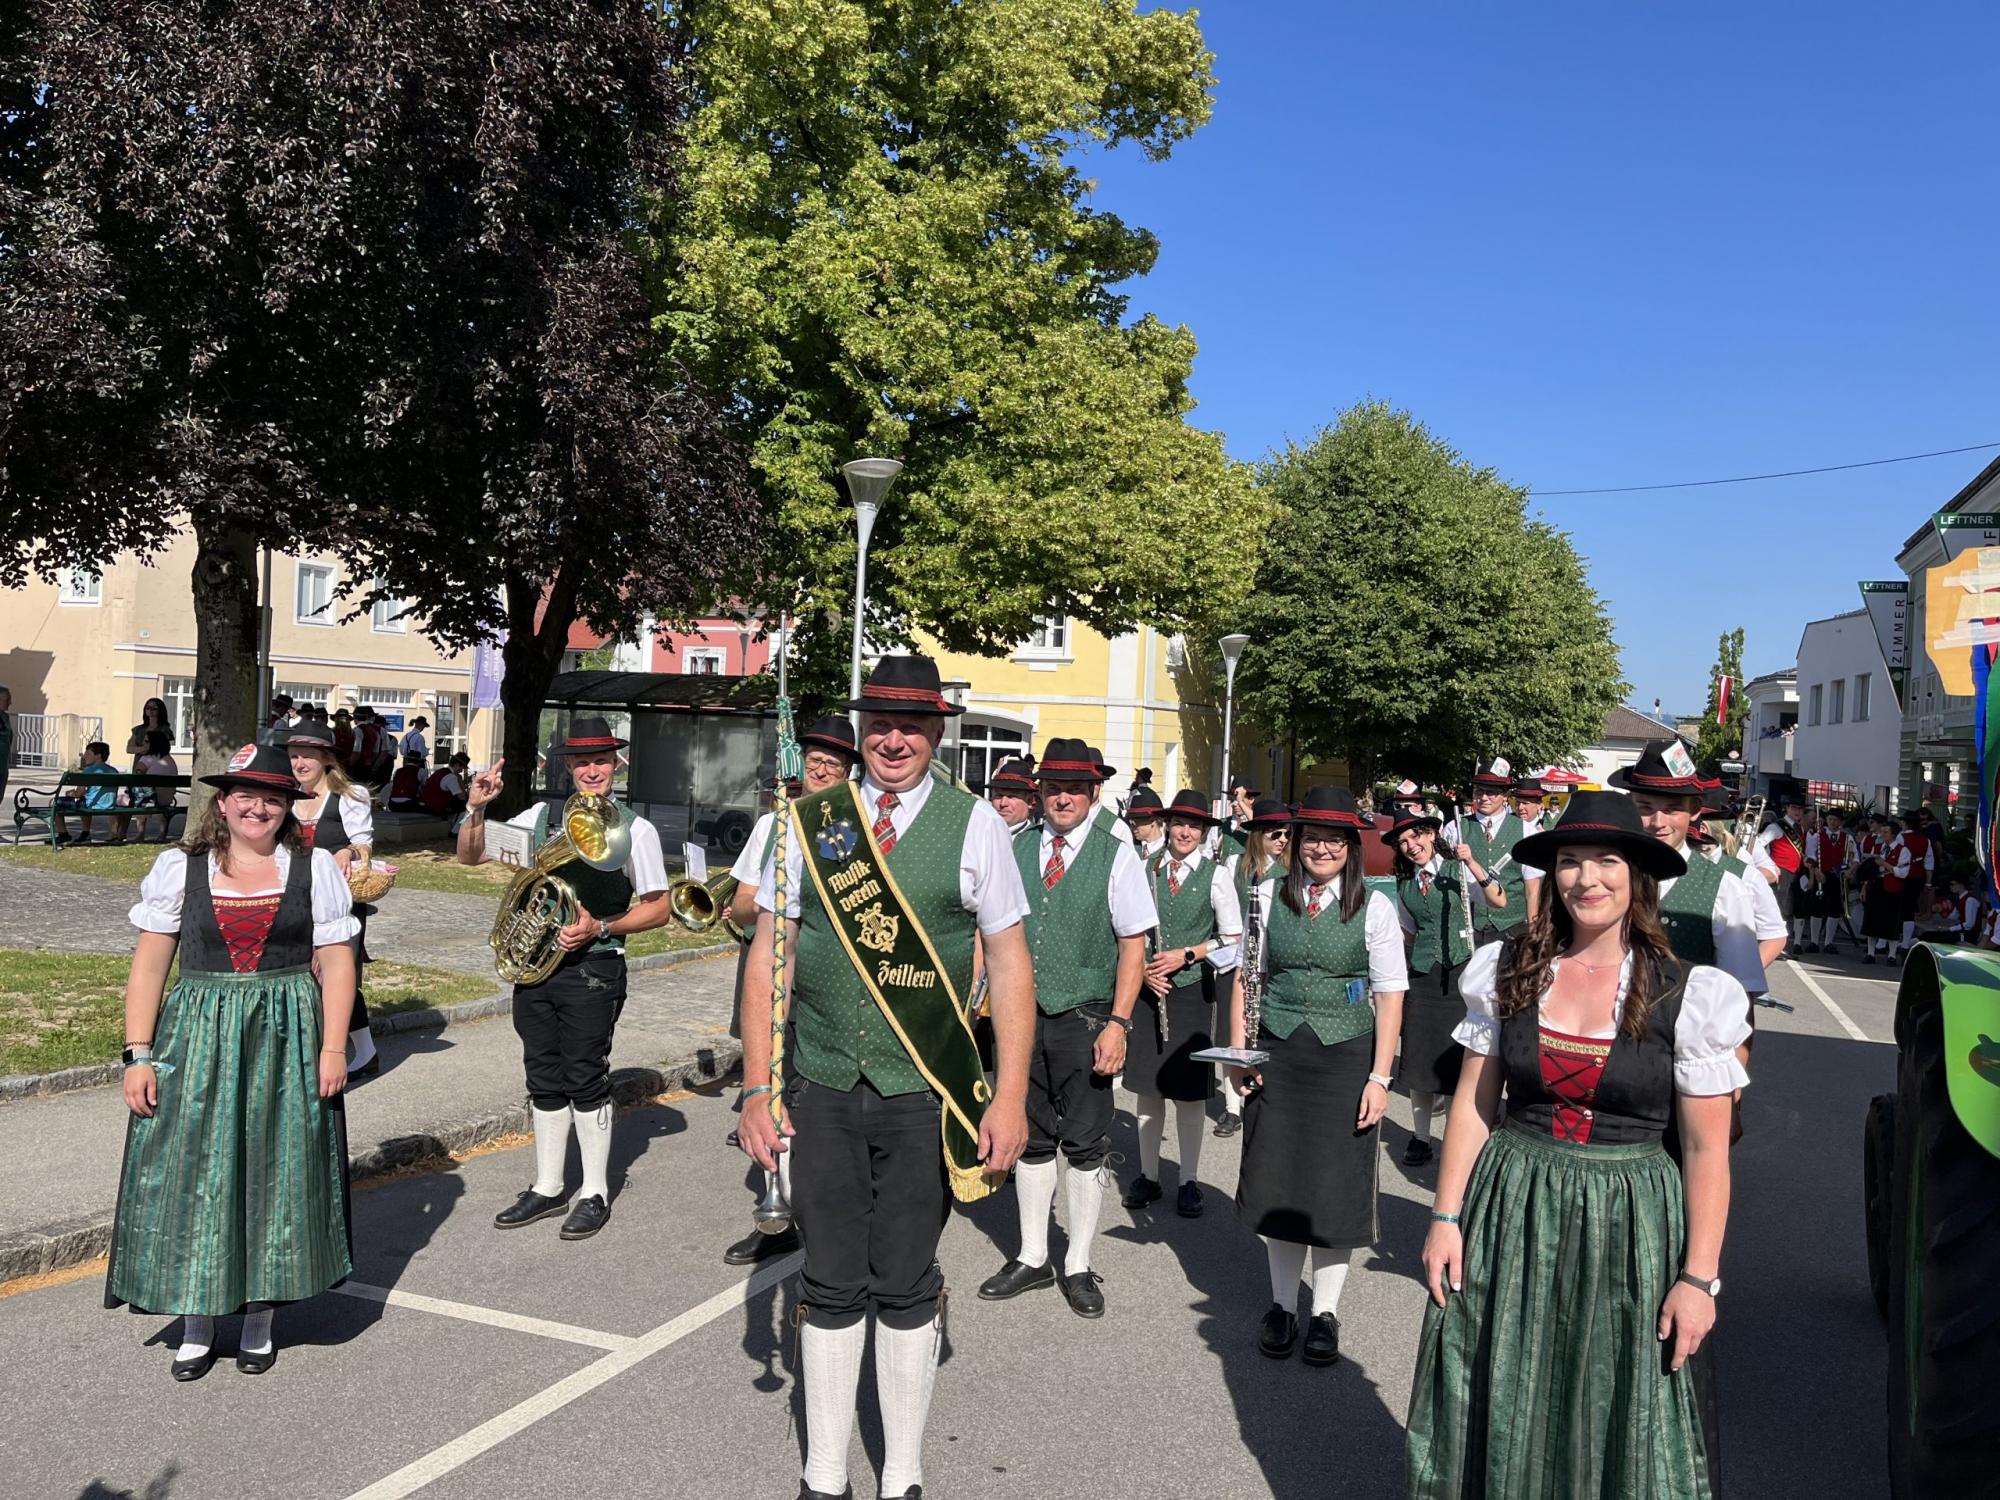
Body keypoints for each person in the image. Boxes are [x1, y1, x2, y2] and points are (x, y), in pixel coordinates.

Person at [736, 655, 1033, 1500]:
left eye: (913, 724)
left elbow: (1011, 967)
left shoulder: (976, 826)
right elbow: (768, 962)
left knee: (905, 1278)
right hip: (822, 1085)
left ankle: (902, 1471)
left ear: (938, 734)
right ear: (862, 730)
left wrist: (1008, 1096)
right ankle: (824, 1473)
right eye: (881, 723)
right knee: (827, 1276)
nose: (895, 739)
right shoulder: (811, 822)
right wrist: (757, 1087)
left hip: (921, 1095)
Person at [1405, 790, 1748, 1500]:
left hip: (1631, 1220)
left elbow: (1709, 1151)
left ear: (1638, 876)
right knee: (1503, 1380)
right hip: (1513, 1206)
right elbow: (1474, 1104)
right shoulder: (1510, 968)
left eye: (1606, 860)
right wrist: (1444, 1217)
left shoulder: (1690, 992)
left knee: (1615, 1398)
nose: (1587, 878)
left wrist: (1698, 1279)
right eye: (1569, 861)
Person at [106, 741, 358, 1381]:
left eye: (271, 797)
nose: (257, 806)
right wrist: (138, 1055)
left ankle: (258, 1318)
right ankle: (196, 1318)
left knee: (277, 1168)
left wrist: (333, 1048)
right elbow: (149, 966)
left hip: (287, 1035)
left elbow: (336, 965)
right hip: (195, 1036)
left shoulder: (313, 869)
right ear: (223, 802)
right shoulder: (180, 868)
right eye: (245, 794)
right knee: (193, 1165)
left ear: (286, 806)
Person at [457, 717, 673, 1240]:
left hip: (594, 965)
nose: (592, 769)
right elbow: (469, 856)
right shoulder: (539, 817)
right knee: (543, 1074)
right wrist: (477, 807)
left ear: (615, 765)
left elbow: (660, 908)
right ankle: (548, 1185)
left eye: (601, 760)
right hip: (536, 965)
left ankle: (595, 1190)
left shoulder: (634, 829)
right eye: (582, 761)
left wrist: (600, 924)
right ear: (569, 767)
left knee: (585, 1074)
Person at [1225, 786, 1406, 1368]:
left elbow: (1390, 993)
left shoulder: (1373, 906)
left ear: (1350, 846)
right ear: (1294, 842)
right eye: (1312, 837)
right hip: (1278, 1050)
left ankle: (1324, 1312)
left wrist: (1380, 1076)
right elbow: (1246, 978)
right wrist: (1240, 1053)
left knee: (1332, 1187)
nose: (1322, 847)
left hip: (1344, 1055)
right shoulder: (1266, 894)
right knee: (1280, 1182)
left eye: (1334, 838)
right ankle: (1282, 1306)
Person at [979, 736, 1154, 1319]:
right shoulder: (1016, 846)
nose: (1063, 798)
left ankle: (1077, 1263)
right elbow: (991, 931)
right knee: (1028, 1135)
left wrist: (1120, 1024)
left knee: (1084, 1143)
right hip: (1022, 1017)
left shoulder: (1116, 852)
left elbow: (1134, 945)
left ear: (1093, 791)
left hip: (1086, 1017)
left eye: (1075, 788)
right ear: (1041, 792)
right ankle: (1032, 1256)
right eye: (1054, 787)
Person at [719, 714, 857, 1271]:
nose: (821, 773)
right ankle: (778, 1209)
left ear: (850, 775)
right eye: (815, 763)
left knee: (822, 1099)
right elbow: (742, 904)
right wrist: (776, 898)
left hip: (835, 984)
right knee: (776, 1090)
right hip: (779, 975)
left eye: (833, 766)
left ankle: (823, 1207)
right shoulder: (773, 827)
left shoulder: (857, 828)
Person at [1124, 789, 1242, 1217]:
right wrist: (1141, 971)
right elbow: (1127, 928)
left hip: (1192, 991)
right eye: (1180, 823)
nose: (1186, 831)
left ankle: (1188, 1179)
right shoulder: (1144, 868)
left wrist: (1188, 954)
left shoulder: (1216, 876)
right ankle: (1149, 1175)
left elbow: (1233, 939)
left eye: (1195, 825)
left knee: (1190, 1095)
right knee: (1148, 1090)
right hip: (1148, 988)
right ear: (1167, 825)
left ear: (1204, 832)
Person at [1384, 807, 1507, 1168]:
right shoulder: (1404, 882)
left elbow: (1499, 900)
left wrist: (1474, 866)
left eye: (1416, 836)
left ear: (1432, 835)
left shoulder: (1457, 870)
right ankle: (1420, 1137)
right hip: (1422, 975)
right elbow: (1408, 931)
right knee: (1420, 1061)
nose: (1411, 845)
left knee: (1458, 1059)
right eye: (1403, 841)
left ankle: (1456, 1133)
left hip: (1461, 973)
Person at [1612, 742, 1778, 995]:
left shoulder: (1726, 888)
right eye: (1645, 808)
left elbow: (1743, 991)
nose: (1658, 822)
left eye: (1672, 809)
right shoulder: (1603, 875)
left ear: (1695, 811)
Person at [287, 721, 381, 1076]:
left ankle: (348, 1052)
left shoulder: (349, 794)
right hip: (296, 899)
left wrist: (347, 852)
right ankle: (322, 1048)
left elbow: (364, 845)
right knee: (302, 973)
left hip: (338, 900)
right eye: (294, 756)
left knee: (335, 974)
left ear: (326, 758)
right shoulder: (288, 796)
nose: (299, 764)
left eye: (307, 756)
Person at [1441, 759, 1539, 942]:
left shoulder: (1526, 831)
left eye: (1491, 792)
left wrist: (1533, 932)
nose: (1484, 798)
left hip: (1512, 927)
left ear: (1505, 795)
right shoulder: (1455, 828)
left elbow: (1533, 888)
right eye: (1479, 791)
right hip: (1468, 927)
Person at [52, 740, 123, 845]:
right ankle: (86, 834)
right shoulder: (113, 771)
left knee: (55, 802)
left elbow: (79, 793)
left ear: (98, 755)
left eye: (88, 753)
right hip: (109, 805)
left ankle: (63, 834)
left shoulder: (89, 771)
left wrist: (70, 793)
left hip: (91, 805)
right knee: (84, 800)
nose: (84, 756)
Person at [1807, 806, 1857, 952]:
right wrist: (1816, 872)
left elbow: (1855, 858)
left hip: (1838, 877)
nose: (1832, 822)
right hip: (1822, 875)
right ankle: (1814, 941)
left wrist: (1850, 870)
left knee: (1835, 909)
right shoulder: (1817, 836)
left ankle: (1829, 942)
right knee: (1817, 907)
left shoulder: (1848, 838)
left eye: (1835, 820)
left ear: (1840, 822)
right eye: (1829, 819)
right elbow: (1810, 856)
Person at [132, 729, 180, 843]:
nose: (143, 744)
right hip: (167, 798)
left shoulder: (147, 758)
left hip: (150, 797)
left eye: (146, 741)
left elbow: (137, 774)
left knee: (126, 799)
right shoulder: (170, 760)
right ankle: (162, 834)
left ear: (153, 743)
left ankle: (139, 833)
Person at [986, 756, 1038, 837]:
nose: (1003, 803)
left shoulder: (1039, 842)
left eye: (1012, 796)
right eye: (999, 795)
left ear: (1030, 801)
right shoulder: (978, 835)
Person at [421, 752, 471, 821]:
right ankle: (455, 830)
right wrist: (460, 780)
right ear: (457, 765)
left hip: (426, 803)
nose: (461, 771)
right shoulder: (451, 777)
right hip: (436, 807)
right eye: (462, 768)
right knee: (465, 807)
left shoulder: (440, 771)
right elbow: (462, 797)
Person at [1124, 782, 1166, 858]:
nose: (1132, 824)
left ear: (1153, 820)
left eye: (1136, 819)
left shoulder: (1170, 853)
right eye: (1130, 820)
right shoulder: (1129, 848)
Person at [0, 685, 12, 810]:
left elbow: (10, 739)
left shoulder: (6, 717)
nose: (10, 703)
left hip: (3, 766)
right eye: (7, 699)